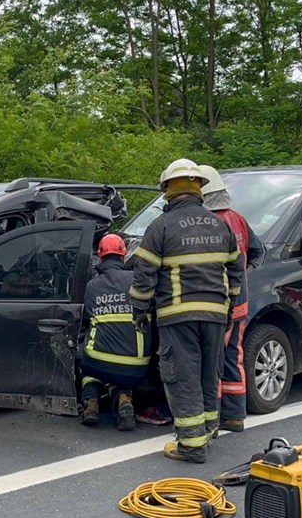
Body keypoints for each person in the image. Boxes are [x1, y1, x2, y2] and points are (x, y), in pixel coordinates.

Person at [129, 159, 243, 463]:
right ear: (199, 189)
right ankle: (206, 431)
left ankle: (192, 446)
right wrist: (228, 311)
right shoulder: (221, 225)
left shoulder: (160, 227)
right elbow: (236, 273)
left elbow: (144, 277)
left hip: (178, 316)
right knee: (209, 373)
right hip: (216, 315)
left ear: (167, 190)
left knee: (183, 377)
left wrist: (139, 310)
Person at [197, 165, 263, 433]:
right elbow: (257, 252)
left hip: (217, 303)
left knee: (211, 359)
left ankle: (211, 417)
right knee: (233, 356)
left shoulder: (208, 223)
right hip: (240, 302)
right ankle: (235, 416)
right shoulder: (237, 219)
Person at [78, 234, 148, 431]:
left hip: (98, 361)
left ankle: (90, 401)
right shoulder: (136, 281)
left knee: (87, 356)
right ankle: (124, 397)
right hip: (137, 366)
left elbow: (85, 321)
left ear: (100, 257)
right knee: (120, 369)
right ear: (124, 256)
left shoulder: (92, 286)